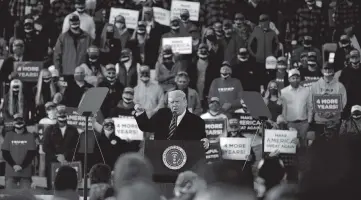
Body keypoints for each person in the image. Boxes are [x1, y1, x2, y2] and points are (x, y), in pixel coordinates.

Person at [134, 90, 208, 146]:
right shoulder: (162, 114)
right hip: (161, 157)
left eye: (177, 102)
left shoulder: (197, 122)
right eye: (172, 102)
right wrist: (140, 113)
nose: (174, 105)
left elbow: (202, 142)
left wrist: (205, 143)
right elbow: (147, 127)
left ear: (185, 102)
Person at [43, 105, 79, 189]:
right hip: (53, 163)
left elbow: (76, 146)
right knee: (52, 189)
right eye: (60, 114)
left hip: (68, 162)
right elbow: (45, 147)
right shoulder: (49, 129)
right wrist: (57, 157)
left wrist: (65, 156)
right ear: (56, 115)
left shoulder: (73, 130)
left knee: (68, 188)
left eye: (64, 114)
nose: (62, 116)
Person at [309, 62, 347, 140]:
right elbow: (311, 101)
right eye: (325, 68)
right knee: (320, 145)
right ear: (321, 70)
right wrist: (319, 112)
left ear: (333, 70)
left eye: (329, 68)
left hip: (334, 121)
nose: (327, 70)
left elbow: (343, 101)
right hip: (319, 121)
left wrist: (333, 113)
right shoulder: (315, 85)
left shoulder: (339, 86)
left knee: (334, 146)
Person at [1, 114, 36, 189]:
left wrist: (22, 166)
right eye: (17, 128)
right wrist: (14, 165)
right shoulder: (8, 135)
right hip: (10, 172)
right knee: (10, 196)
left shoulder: (30, 136)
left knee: (25, 196)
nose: (19, 130)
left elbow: (31, 153)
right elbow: (5, 152)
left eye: (20, 128)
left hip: (25, 173)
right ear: (14, 125)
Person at [54, 14, 93, 80]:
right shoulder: (62, 37)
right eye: (72, 21)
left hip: (82, 73)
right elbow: (57, 56)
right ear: (69, 22)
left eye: (76, 21)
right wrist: (58, 72)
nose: (74, 23)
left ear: (79, 22)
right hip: (68, 73)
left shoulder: (87, 37)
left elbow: (92, 55)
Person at [281, 69, 312, 148]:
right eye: (293, 78)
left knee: (303, 146)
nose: (295, 80)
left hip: (304, 123)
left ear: (300, 78)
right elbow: (282, 108)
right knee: (292, 147)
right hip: (290, 124)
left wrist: (309, 121)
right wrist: (285, 122)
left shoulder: (306, 91)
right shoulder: (283, 92)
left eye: (297, 78)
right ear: (289, 79)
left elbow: (310, 107)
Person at [339, 49, 361, 118]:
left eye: (356, 57)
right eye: (352, 57)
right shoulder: (345, 71)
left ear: (359, 58)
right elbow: (341, 86)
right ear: (350, 59)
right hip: (349, 101)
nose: (354, 59)